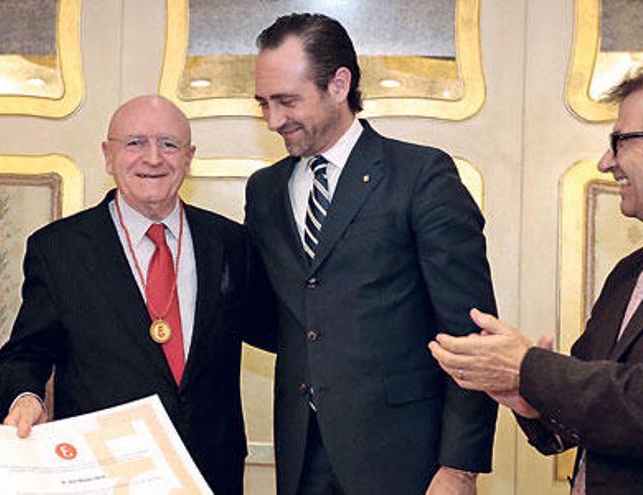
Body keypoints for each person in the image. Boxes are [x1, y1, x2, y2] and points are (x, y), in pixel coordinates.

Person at [245, 13, 498, 494]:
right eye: (263, 103)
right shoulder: (265, 190)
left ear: (339, 84)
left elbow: (470, 333)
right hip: (301, 458)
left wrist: (459, 466)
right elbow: (274, 316)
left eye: (287, 101)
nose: (274, 120)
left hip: (406, 460)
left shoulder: (421, 176)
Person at [0, 95, 273, 494]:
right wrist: (25, 397)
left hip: (210, 472)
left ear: (189, 157)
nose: (153, 158)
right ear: (108, 155)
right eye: (135, 142)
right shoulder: (60, 249)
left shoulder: (230, 242)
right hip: (105, 475)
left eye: (169, 144)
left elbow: (281, 330)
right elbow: (25, 354)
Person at [429, 68, 643, 494]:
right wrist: (526, 399)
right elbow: (591, 413)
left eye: (620, 141)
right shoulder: (627, 274)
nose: (606, 162)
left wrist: (527, 367)